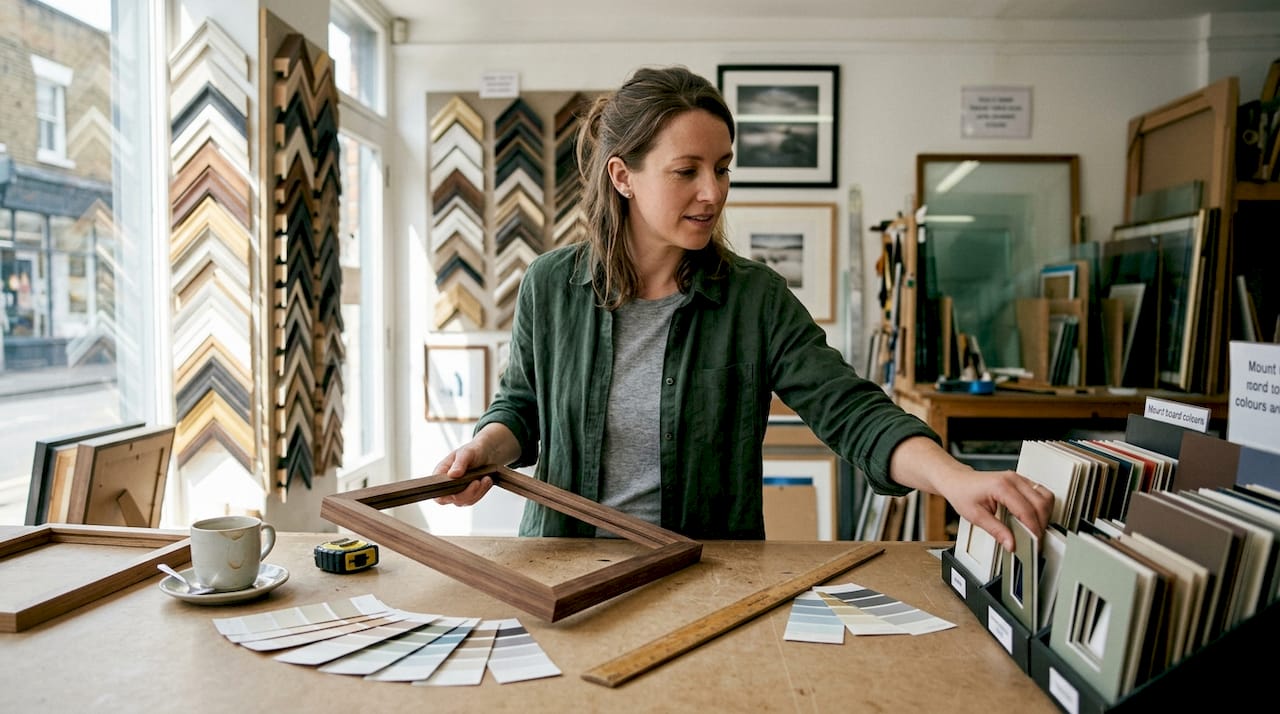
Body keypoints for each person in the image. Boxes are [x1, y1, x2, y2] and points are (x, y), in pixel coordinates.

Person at [433, 65, 1052, 551]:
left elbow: (850, 409)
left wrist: (953, 477)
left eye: (723, 169)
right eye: (688, 171)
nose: (714, 192)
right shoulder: (549, 285)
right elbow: (521, 409)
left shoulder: (754, 299)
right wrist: (485, 451)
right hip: (563, 572)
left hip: (704, 579)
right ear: (623, 176)